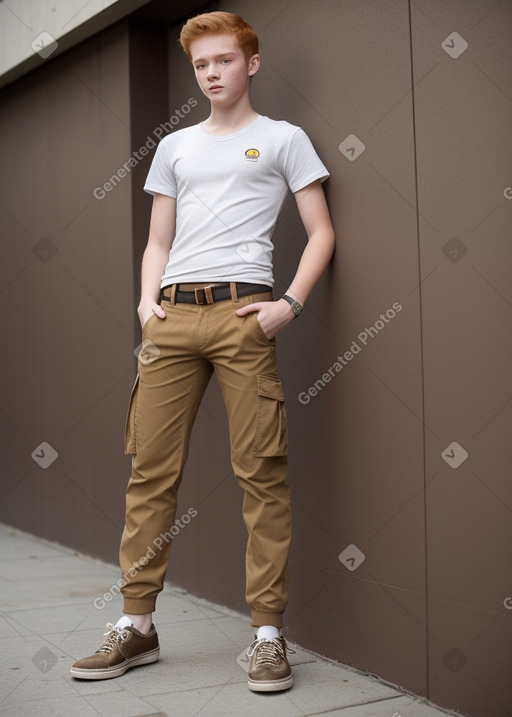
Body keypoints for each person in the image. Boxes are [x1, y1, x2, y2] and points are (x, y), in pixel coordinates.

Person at [70, 10, 335, 692]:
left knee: (261, 472)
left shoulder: (284, 139)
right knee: (150, 472)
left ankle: (269, 635)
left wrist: (289, 304)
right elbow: (158, 238)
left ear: (250, 63)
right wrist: (144, 300)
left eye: (223, 60)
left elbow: (321, 231)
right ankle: (137, 625)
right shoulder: (175, 147)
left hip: (244, 315)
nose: (212, 72)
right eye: (201, 65)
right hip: (172, 321)